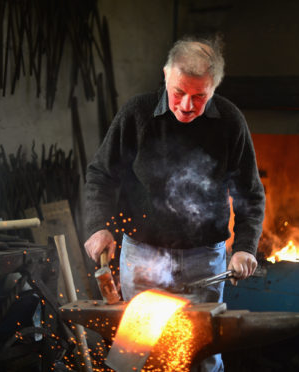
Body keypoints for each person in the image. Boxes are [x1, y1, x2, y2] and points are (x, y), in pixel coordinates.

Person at [84, 35, 265, 371]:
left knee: (202, 354)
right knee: (137, 355)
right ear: (165, 74)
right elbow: (100, 175)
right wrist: (98, 227)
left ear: (214, 88)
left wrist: (244, 247)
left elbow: (250, 193)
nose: (185, 106)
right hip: (143, 256)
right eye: (179, 92)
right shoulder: (137, 114)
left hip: (205, 262)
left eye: (200, 97)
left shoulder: (230, 121)